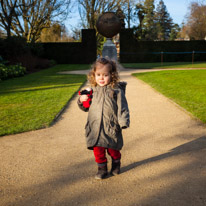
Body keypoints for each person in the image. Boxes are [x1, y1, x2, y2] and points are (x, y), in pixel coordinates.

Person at [77, 57, 130, 180]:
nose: (101, 78)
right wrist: (81, 100)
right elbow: (86, 108)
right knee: (98, 151)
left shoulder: (116, 91)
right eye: (98, 75)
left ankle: (116, 163)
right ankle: (102, 169)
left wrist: (123, 121)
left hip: (111, 126)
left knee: (113, 149)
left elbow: (123, 107)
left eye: (105, 75)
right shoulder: (92, 91)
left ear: (112, 75)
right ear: (93, 75)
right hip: (95, 127)